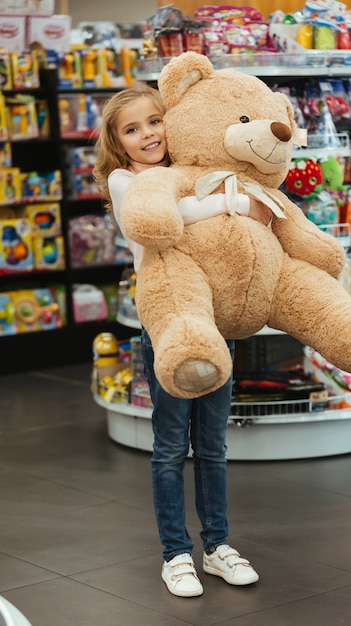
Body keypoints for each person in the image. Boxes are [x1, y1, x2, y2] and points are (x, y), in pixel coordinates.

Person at [94, 84, 271, 598]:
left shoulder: (193, 171)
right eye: (133, 129)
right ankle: (176, 553)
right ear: (118, 142)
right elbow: (173, 222)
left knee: (212, 444)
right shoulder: (127, 182)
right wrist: (234, 201)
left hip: (216, 317)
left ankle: (216, 547)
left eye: (155, 121)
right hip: (168, 322)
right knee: (171, 445)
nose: (148, 134)